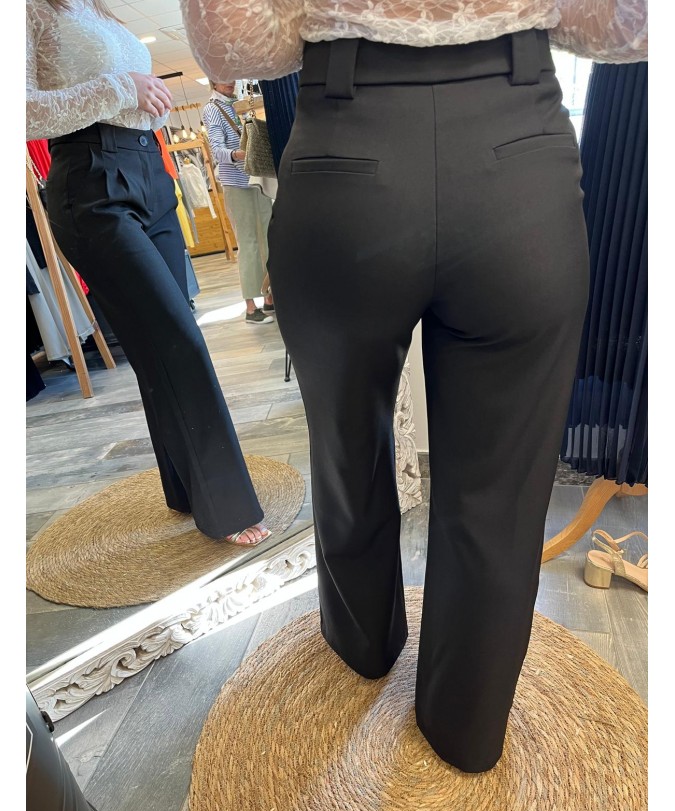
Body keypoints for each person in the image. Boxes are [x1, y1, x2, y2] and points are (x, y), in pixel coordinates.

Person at [180, 0, 647, 771]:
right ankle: (466, 728)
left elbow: (230, 44)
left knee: (345, 445)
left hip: (345, 152)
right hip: (516, 153)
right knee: (500, 492)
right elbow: (626, 26)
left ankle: (362, 643)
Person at [27, 0, 270, 546]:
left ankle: (185, 488)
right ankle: (229, 507)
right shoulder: (31, 11)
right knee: (179, 342)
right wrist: (120, 88)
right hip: (91, 183)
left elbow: (138, 102)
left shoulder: (101, 12)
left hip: (149, 172)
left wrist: (147, 100)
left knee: (161, 346)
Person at [202, 81, 276, 324]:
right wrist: (242, 153)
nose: (231, 80)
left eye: (232, 75)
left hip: (258, 178)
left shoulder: (244, 102)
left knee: (269, 240)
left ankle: (270, 297)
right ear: (213, 78)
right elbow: (217, 151)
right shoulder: (213, 108)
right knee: (249, 243)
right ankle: (250, 307)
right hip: (236, 182)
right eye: (224, 76)